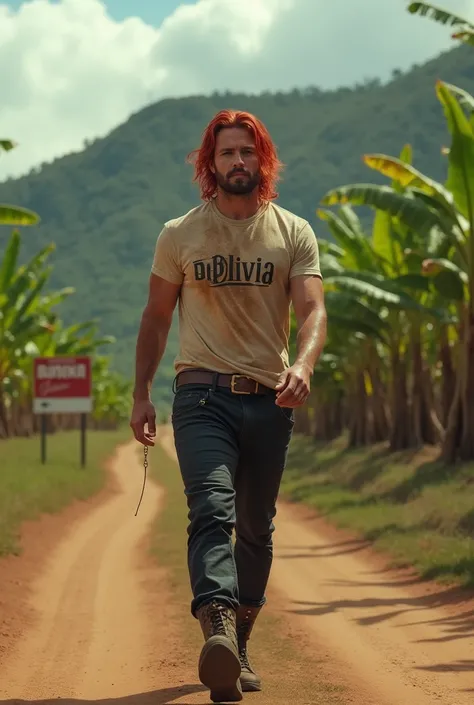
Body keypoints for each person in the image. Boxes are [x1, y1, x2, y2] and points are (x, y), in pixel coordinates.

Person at [130, 109, 327, 703]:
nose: (237, 162)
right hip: (202, 395)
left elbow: (314, 311)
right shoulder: (180, 234)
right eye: (226, 154)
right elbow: (157, 318)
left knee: (256, 529)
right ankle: (214, 621)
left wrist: (304, 364)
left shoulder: (293, 231)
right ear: (208, 165)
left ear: (261, 159)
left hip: (271, 399)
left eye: (247, 152)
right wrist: (141, 392)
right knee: (210, 505)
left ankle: (239, 644)